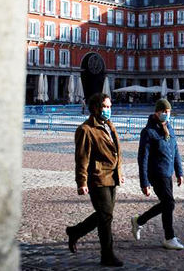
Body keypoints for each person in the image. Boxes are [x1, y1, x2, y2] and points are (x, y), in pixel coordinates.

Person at [65, 93, 125, 267]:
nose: (108, 110)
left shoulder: (109, 126)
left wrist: (119, 172)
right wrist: (81, 182)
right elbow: (82, 158)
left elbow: (116, 152)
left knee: (105, 214)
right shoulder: (86, 129)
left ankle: (75, 231)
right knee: (106, 216)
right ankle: (107, 255)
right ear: (96, 108)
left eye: (110, 107)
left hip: (112, 177)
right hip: (97, 177)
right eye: (105, 107)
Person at [131, 99, 184, 250]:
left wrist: (179, 171)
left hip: (167, 173)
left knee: (167, 205)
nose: (167, 114)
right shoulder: (148, 132)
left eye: (168, 112)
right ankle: (169, 237)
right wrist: (144, 182)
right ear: (157, 112)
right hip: (156, 174)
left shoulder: (169, 128)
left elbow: (175, 151)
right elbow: (143, 159)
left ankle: (139, 221)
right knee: (169, 203)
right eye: (164, 112)